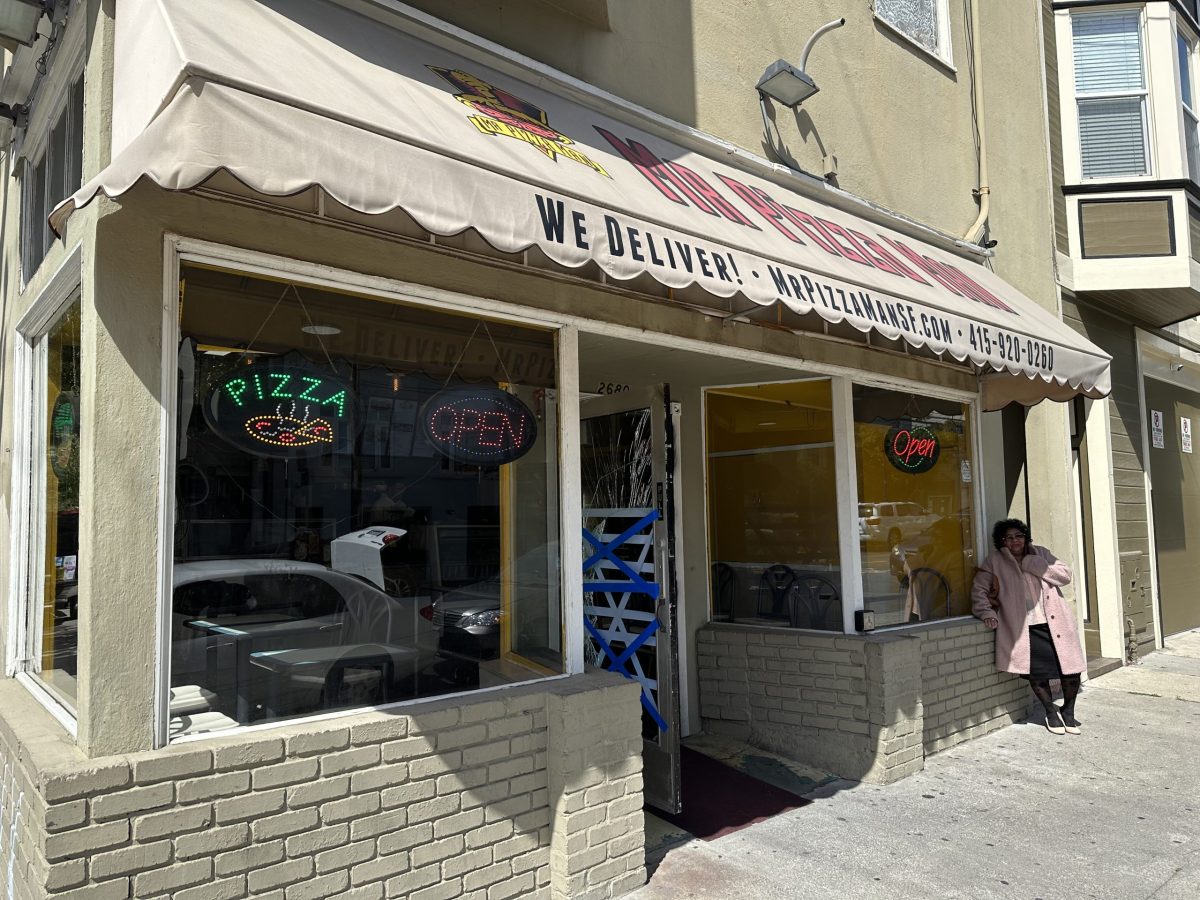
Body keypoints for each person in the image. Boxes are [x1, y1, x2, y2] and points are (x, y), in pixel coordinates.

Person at [971, 519, 1085, 736]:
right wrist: (987, 613)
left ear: (1025, 536)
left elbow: (1065, 575)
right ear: (1002, 541)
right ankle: (1050, 712)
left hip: (1056, 624)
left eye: (1019, 536)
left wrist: (1034, 564)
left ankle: (1068, 711)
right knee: (1037, 674)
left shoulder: (1040, 554)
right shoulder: (995, 561)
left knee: (1071, 671)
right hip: (1025, 627)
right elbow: (979, 590)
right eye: (1009, 537)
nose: (1015, 541)